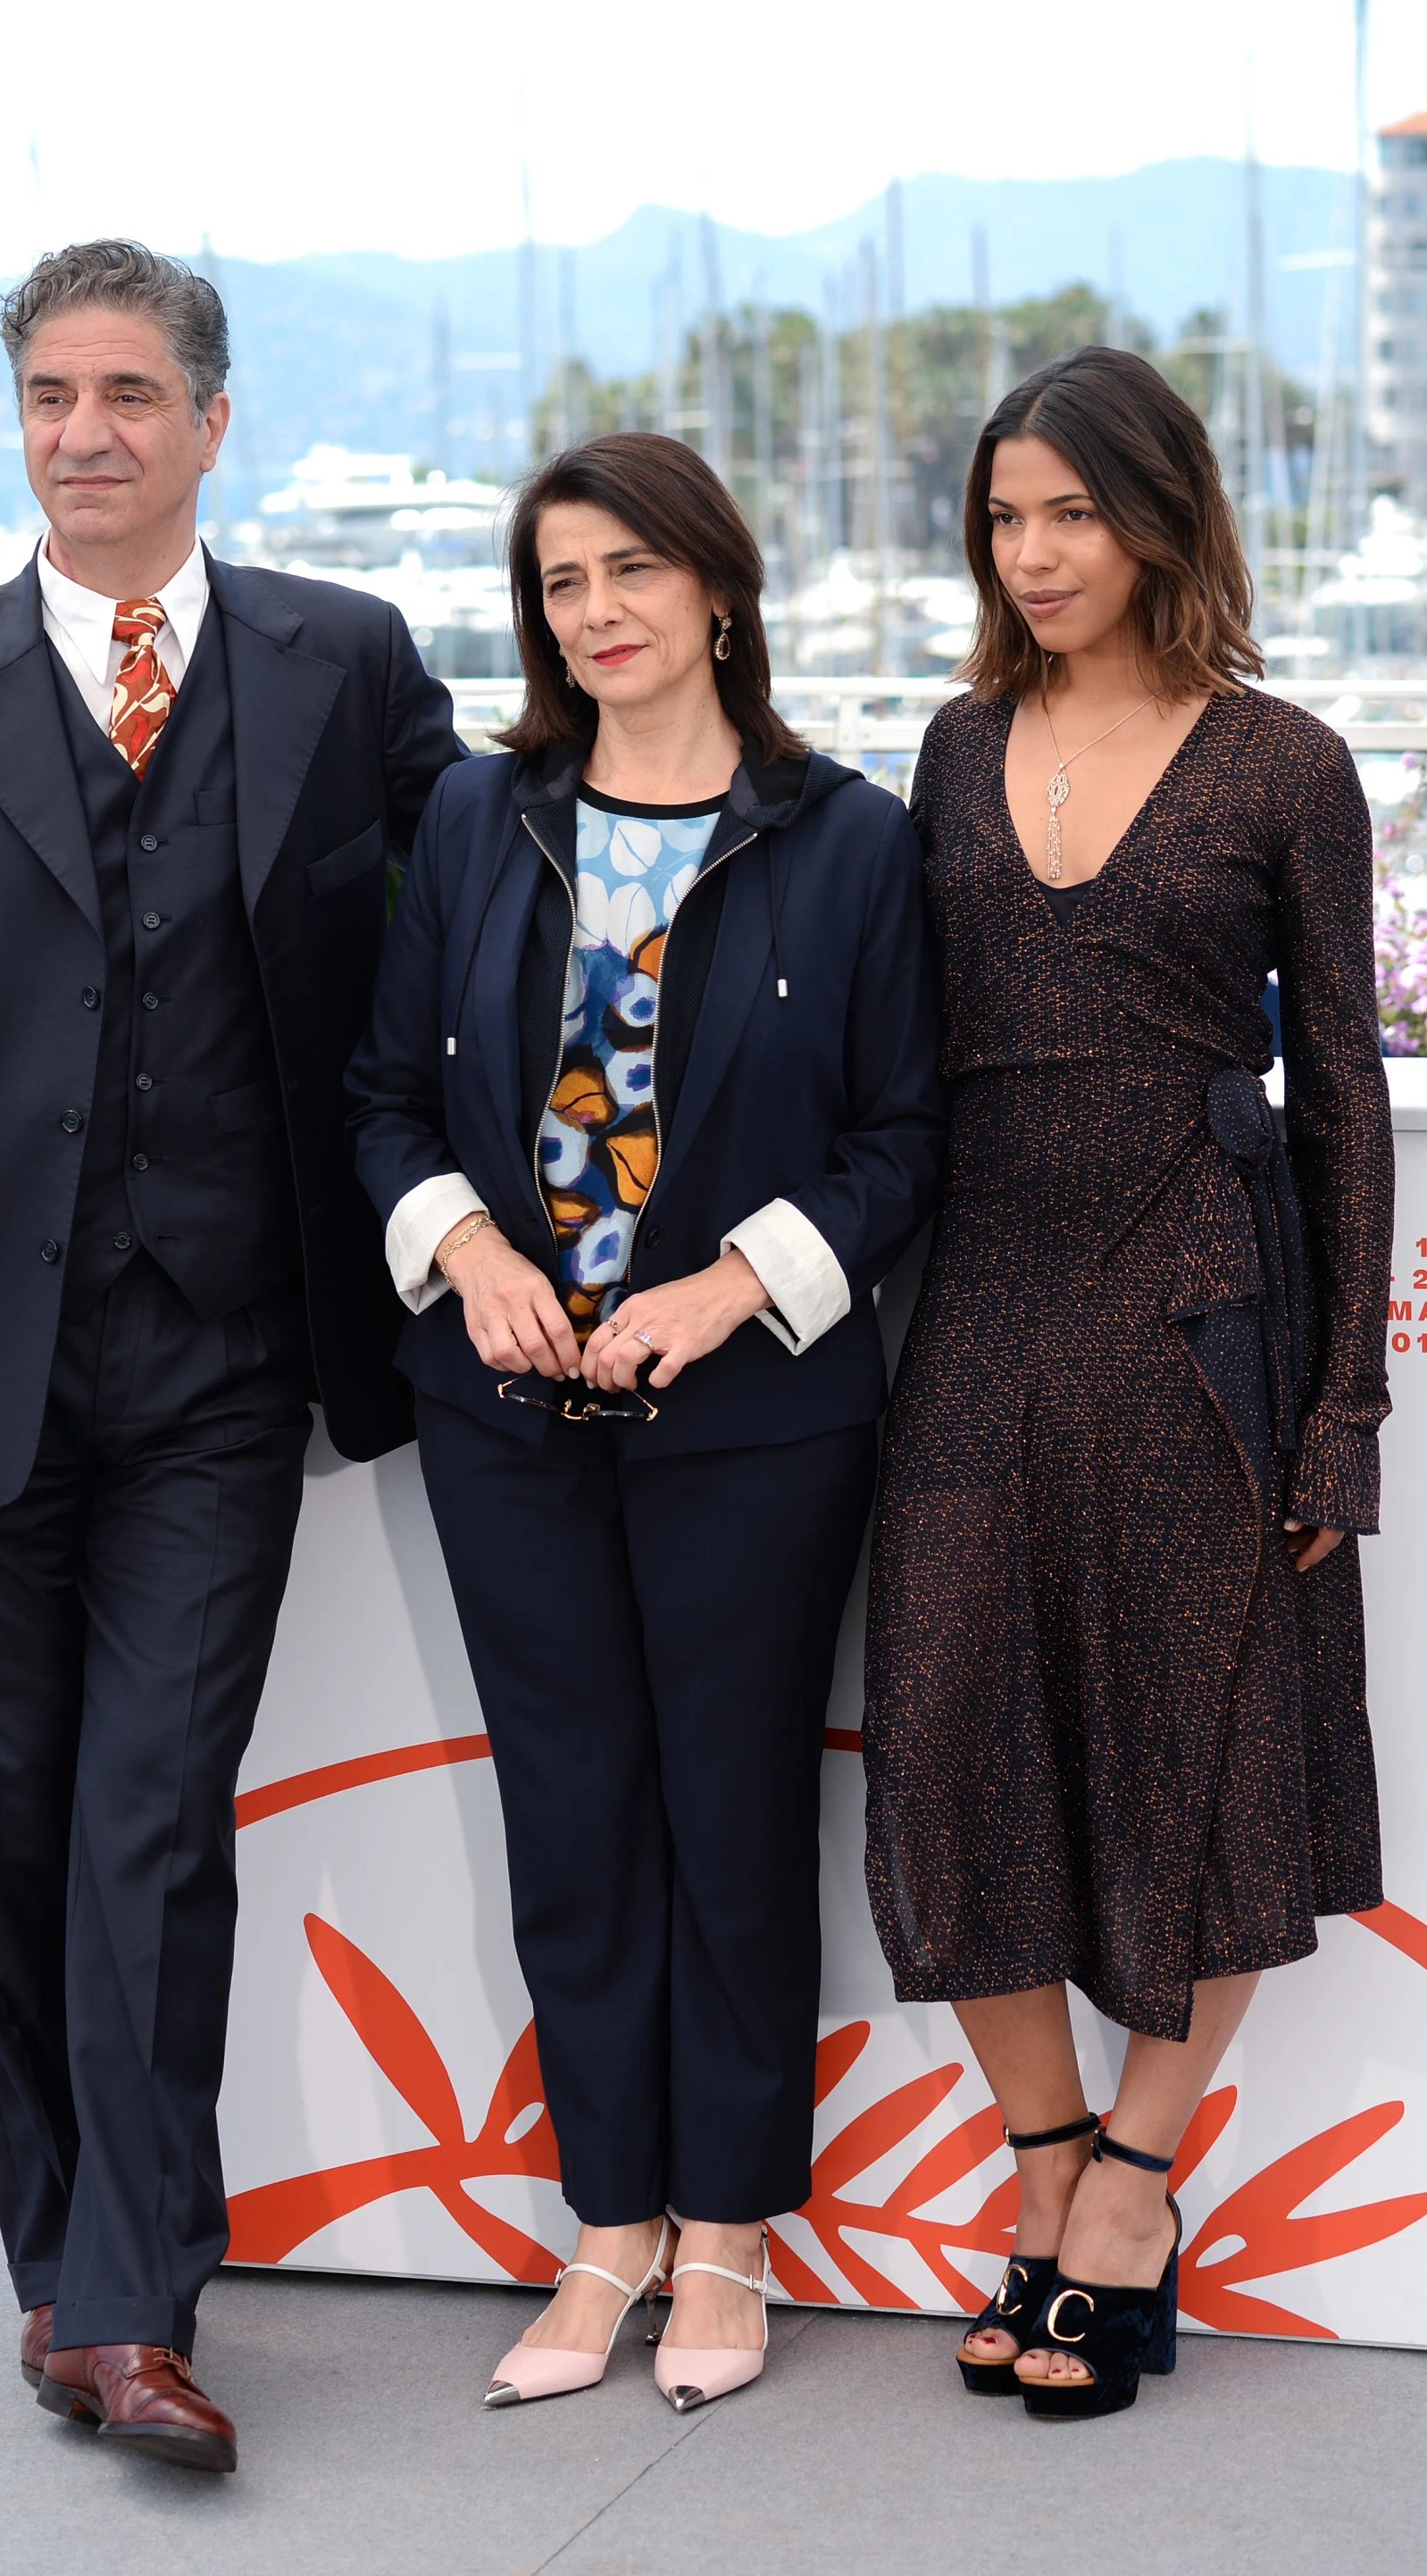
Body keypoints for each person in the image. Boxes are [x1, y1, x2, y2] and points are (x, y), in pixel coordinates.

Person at [0, 240, 463, 2472]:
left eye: (131, 393)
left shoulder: (344, 658)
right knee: (4, 1820)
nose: (88, 430)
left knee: (154, 1824)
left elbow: (472, 909)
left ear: (212, 419)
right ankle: (59, 2268)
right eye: (54, 394)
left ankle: (133, 2300)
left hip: (228, 1347)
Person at [347, 431, 945, 2413]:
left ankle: (729, 2236)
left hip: (754, 1415)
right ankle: (605, 2223)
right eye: (557, 584)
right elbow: (381, 1097)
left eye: (628, 571)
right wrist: (466, 1253)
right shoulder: (472, 816)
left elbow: (905, 1137)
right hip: (501, 1403)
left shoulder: (848, 838)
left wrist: (727, 1284)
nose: (592, 613)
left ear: (716, 584)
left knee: (737, 1814)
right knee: (576, 1819)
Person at [862, 346, 1392, 2421]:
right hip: (979, 1309)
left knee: (1217, 1750)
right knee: (952, 1750)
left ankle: (1132, 2190)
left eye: (1072, 510)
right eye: (1005, 515)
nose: (1035, 550)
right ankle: (1042, 2162)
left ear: (1163, 516)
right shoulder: (948, 739)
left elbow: (1344, 1095)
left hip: (1204, 1320)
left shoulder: (1283, 761)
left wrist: (1344, 1400)